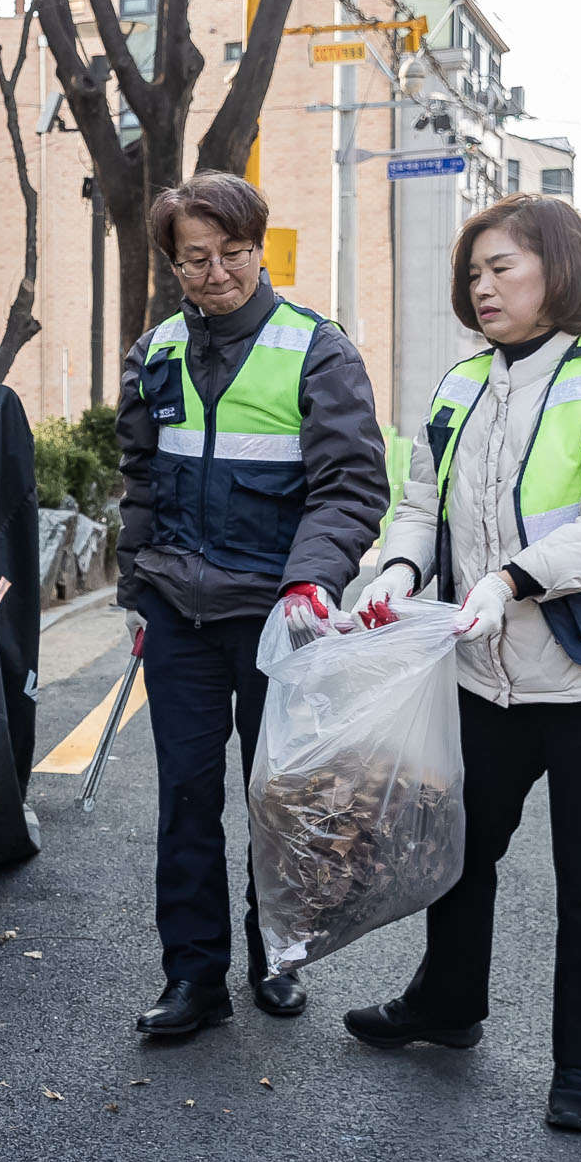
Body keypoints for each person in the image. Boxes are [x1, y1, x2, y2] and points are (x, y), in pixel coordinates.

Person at [345, 195, 581, 1133]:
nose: (483, 286)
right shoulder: (462, 384)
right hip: (485, 667)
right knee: (457, 853)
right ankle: (447, 1007)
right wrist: (396, 569)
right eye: (473, 273)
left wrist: (511, 577)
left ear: (562, 268)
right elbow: (422, 504)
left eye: (502, 266)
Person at [116, 172, 390, 1037]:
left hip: (280, 615)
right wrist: (136, 595)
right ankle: (193, 978)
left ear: (258, 247)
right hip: (178, 615)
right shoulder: (154, 353)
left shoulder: (318, 349)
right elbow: (140, 484)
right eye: (195, 257)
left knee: (277, 798)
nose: (217, 272)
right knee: (187, 800)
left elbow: (350, 485)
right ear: (173, 263)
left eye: (233, 253)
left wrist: (311, 579)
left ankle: (277, 954)